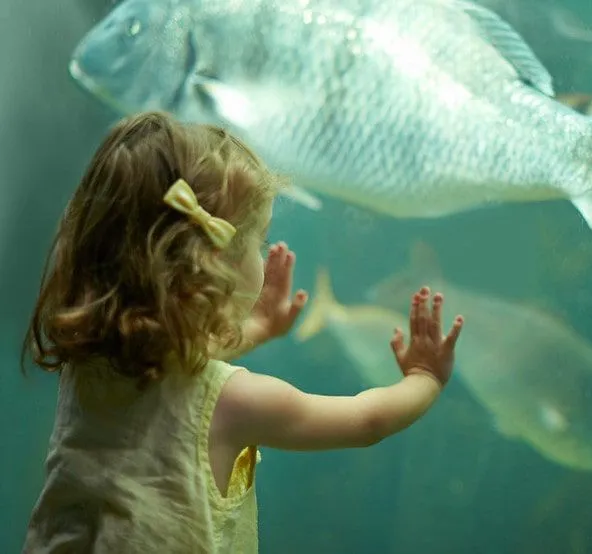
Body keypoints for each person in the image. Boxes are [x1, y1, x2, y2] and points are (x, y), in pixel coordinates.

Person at [21, 111, 464, 553]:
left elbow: (174, 363)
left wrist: (255, 328)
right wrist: (424, 377)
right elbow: (368, 421)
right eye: (260, 240)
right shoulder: (237, 402)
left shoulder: (87, 360)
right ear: (217, 264)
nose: (264, 252)